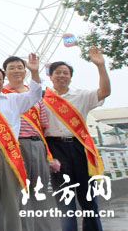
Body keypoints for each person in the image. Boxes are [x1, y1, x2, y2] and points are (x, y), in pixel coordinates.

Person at [44, 46, 110, 231]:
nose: (62, 76)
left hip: (81, 148)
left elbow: (104, 92)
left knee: (89, 198)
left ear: (70, 77)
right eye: (58, 72)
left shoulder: (82, 95)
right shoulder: (42, 99)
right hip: (56, 149)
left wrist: (101, 66)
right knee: (64, 200)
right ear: (51, 75)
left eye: (66, 73)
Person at [0, 56, 43, 231]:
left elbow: (35, 95)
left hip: (10, 154)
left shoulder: (14, 100)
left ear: (3, 81)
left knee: (13, 201)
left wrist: (34, 72)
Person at [2, 55, 51, 231]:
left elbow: (43, 126)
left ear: (25, 70)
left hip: (37, 145)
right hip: (14, 147)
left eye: (19, 67)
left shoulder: (36, 94)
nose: (16, 71)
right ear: (5, 73)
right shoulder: (0, 95)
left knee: (40, 192)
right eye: (11, 68)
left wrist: (49, 154)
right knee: (19, 193)